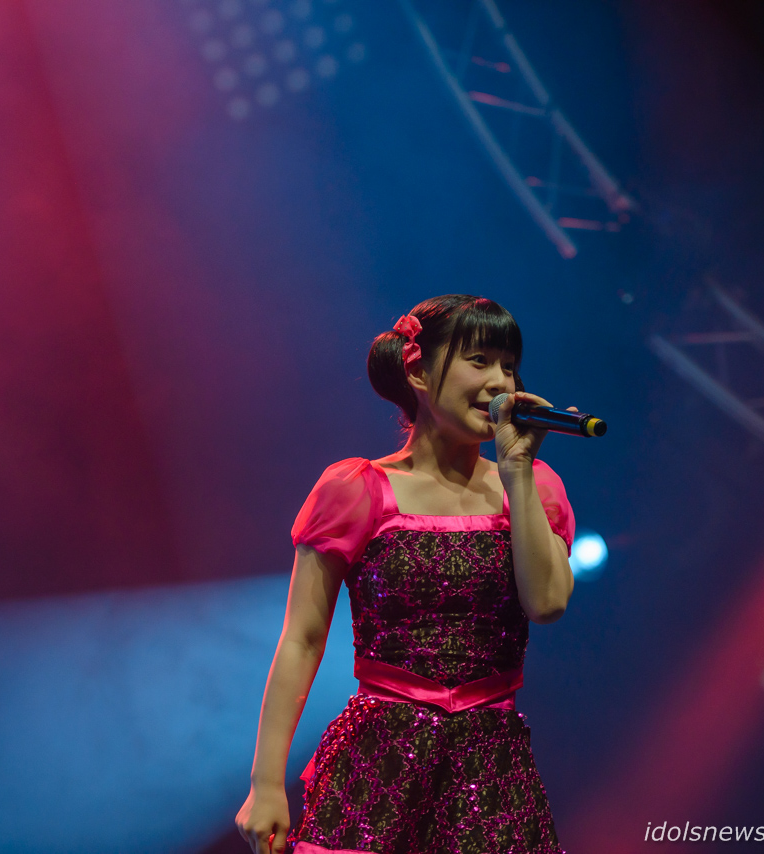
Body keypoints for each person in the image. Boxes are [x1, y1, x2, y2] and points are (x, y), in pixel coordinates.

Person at [235, 295, 576, 854]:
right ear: (417, 372)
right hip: (380, 761)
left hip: (492, 769)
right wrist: (266, 784)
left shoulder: (534, 486)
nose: (500, 382)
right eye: (480, 361)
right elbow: (302, 639)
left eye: (509, 366)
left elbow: (548, 603)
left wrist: (515, 470)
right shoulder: (356, 489)